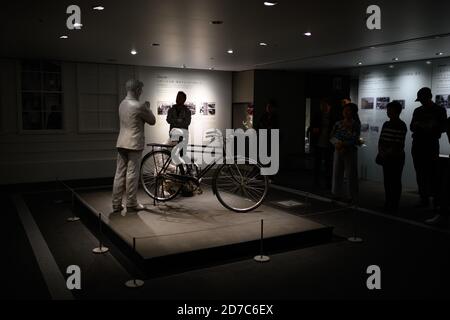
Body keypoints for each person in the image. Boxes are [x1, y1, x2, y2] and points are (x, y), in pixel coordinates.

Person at [112, 79, 156, 212]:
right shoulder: (140, 105)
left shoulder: (122, 104)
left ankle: (116, 204)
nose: (141, 92)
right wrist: (148, 108)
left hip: (121, 142)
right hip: (134, 143)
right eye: (141, 89)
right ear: (137, 90)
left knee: (119, 173)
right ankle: (131, 203)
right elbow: (152, 121)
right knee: (132, 173)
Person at [410, 87, 447, 212]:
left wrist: (430, 127)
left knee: (433, 174)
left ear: (429, 97)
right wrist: (422, 126)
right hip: (418, 145)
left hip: (431, 145)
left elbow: (443, 127)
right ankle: (424, 198)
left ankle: (436, 201)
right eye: (420, 100)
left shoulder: (439, 110)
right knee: (420, 173)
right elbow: (411, 126)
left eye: (423, 99)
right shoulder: (418, 110)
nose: (421, 102)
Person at [376, 101, 408, 213]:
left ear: (397, 111)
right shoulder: (386, 124)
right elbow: (381, 139)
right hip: (386, 157)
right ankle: (388, 201)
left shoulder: (401, 125)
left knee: (395, 180)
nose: (388, 112)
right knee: (387, 181)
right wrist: (381, 151)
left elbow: (398, 143)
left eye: (390, 110)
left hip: (396, 158)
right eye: (387, 110)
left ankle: (394, 204)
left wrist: (386, 152)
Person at [330, 103, 361, 202]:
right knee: (337, 172)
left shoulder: (356, 124)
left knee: (351, 174)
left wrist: (344, 145)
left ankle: (351, 195)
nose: (346, 112)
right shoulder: (338, 123)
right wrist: (338, 145)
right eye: (345, 110)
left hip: (350, 151)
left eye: (348, 110)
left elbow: (356, 138)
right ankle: (336, 193)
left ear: (353, 112)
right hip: (338, 150)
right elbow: (331, 136)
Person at [310, 98, 334, 189]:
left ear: (329, 106)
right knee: (317, 164)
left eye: (324, 105)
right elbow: (311, 127)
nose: (323, 107)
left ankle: (328, 183)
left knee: (328, 164)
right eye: (321, 105)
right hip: (318, 143)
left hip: (329, 143)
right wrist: (313, 130)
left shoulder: (332, 117)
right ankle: (316, 182)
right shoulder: (317, 116)